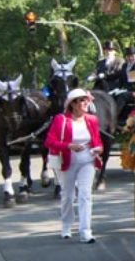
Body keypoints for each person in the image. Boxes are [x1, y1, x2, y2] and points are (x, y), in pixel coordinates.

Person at [43, 88, 103, 244]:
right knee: (68, 196)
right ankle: (66, 225)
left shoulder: (92, 119)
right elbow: (49, 142)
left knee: (85, 195)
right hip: (67, 162)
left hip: (87, 161)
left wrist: (98, 148)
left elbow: (98, 141)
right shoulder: (61, 120)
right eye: (82, 101)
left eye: (86, 100)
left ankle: (86, 231)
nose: (85, 103)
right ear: (73, 104)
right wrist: (69, 146)